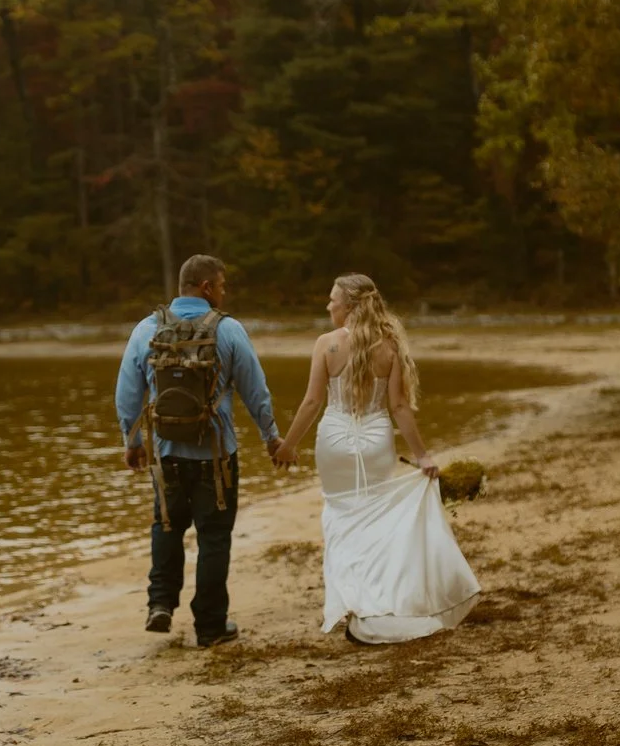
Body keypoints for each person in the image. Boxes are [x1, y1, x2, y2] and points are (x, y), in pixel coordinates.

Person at [272, 273, 479, 643]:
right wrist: (423, 456)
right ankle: (377, 601)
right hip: (376, 440)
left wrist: (288, 445)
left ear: (349, 306)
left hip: (334, 441)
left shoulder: (326, 344)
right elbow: (399, 407)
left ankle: (354, 601)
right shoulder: (390, 346)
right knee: (375, 522)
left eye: (333, 299)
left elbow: (312, 402)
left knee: (341, 519)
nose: (328, 305)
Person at [116, 255, 284, 647]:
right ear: (206, 287)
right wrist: (271, 437)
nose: (224, 293)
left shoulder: (146, 328)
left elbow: (127, 394)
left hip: (166, 454)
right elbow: (255, 391)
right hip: (216, 456)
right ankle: (210, 627)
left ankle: (160, 603)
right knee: (214, 537)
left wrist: (132, 442)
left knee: (167, 525)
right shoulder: (228, 330)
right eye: (221, 286)